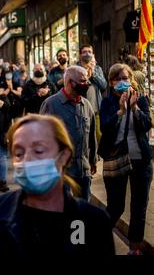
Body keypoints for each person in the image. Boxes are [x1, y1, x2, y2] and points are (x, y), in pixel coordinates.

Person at [0, 114, 115, 257]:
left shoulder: (94, 222)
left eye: (39, 150)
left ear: (64, 155)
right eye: (18, 153)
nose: (27, 159)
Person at [98, 63, 152, 255]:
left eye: (126, 78)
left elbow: (147, 124)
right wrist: (120, 111)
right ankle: (97, 238)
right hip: (117, 158)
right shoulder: (107, 102)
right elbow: (105, 128)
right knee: (116, 206)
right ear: (112, 82)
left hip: (140, 160)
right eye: (118, 79)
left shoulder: (141, 99)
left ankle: (134, 248)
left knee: (139, 207)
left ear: (131, 80)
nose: (122, 82)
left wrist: (135, 108)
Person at [40, 66, 97, 200]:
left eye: (87, 80)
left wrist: (92, 160)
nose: (87, 84)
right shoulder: (51, 104)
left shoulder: (86, 105)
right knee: (63, 213)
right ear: (70, 82)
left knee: (82, 213)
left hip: (83, 171)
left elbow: (91, 136)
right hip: (60, 172)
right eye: (83, 81)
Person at [78, 44, 107, 142]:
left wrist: (93, 73)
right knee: (83, 136)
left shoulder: (97, 69)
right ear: (80, 55)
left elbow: (103, 85)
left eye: (89, 52)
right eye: (84, 52)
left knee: (98, 135)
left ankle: (96, 156)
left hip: (95, 109)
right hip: (80, 108)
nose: (87, 54)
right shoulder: (75, 69)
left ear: (93, 54)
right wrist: (86, 75)